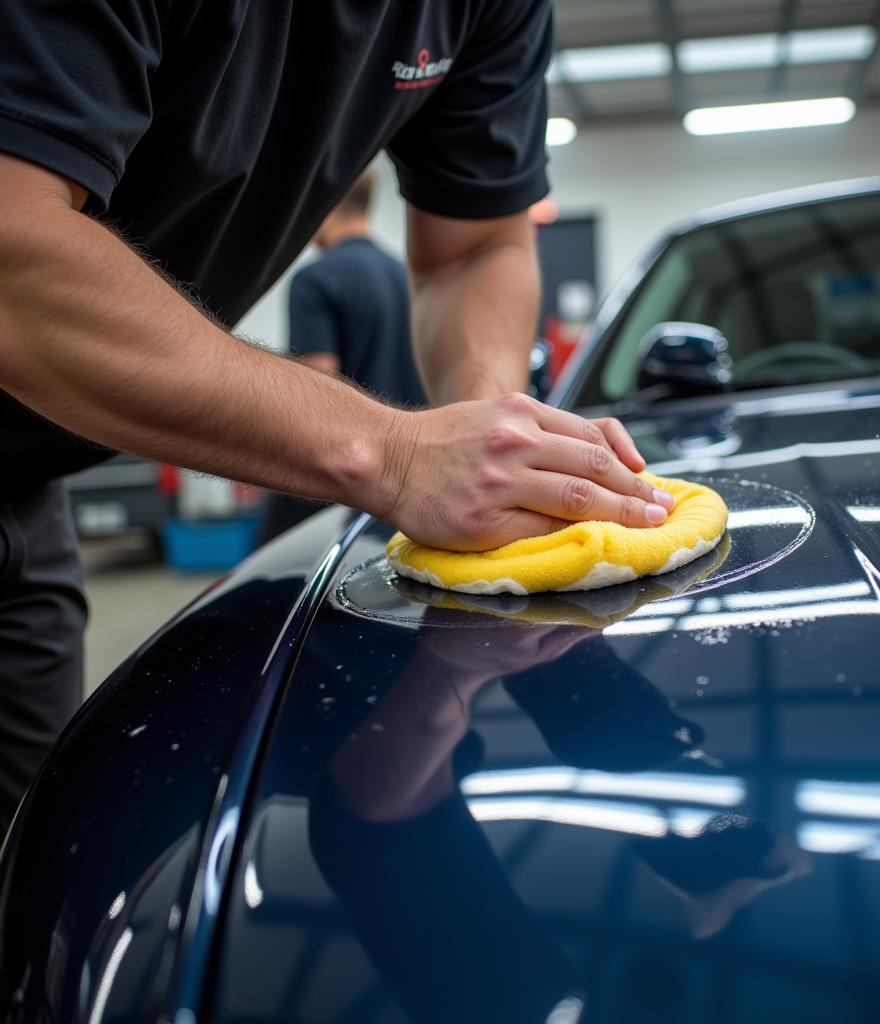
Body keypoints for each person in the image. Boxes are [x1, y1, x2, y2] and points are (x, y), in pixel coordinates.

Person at [0, 1, 676, 836]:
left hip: (30, 485)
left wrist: (496, 436)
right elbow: (10, 250)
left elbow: (477, 245)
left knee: (34, 852)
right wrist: (392, 455)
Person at [260, 168, 427, 542]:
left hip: (346, 489)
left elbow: (316, 393)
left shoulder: (315, 279)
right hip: (410, 482)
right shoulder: (408, 276)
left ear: (328, 204)